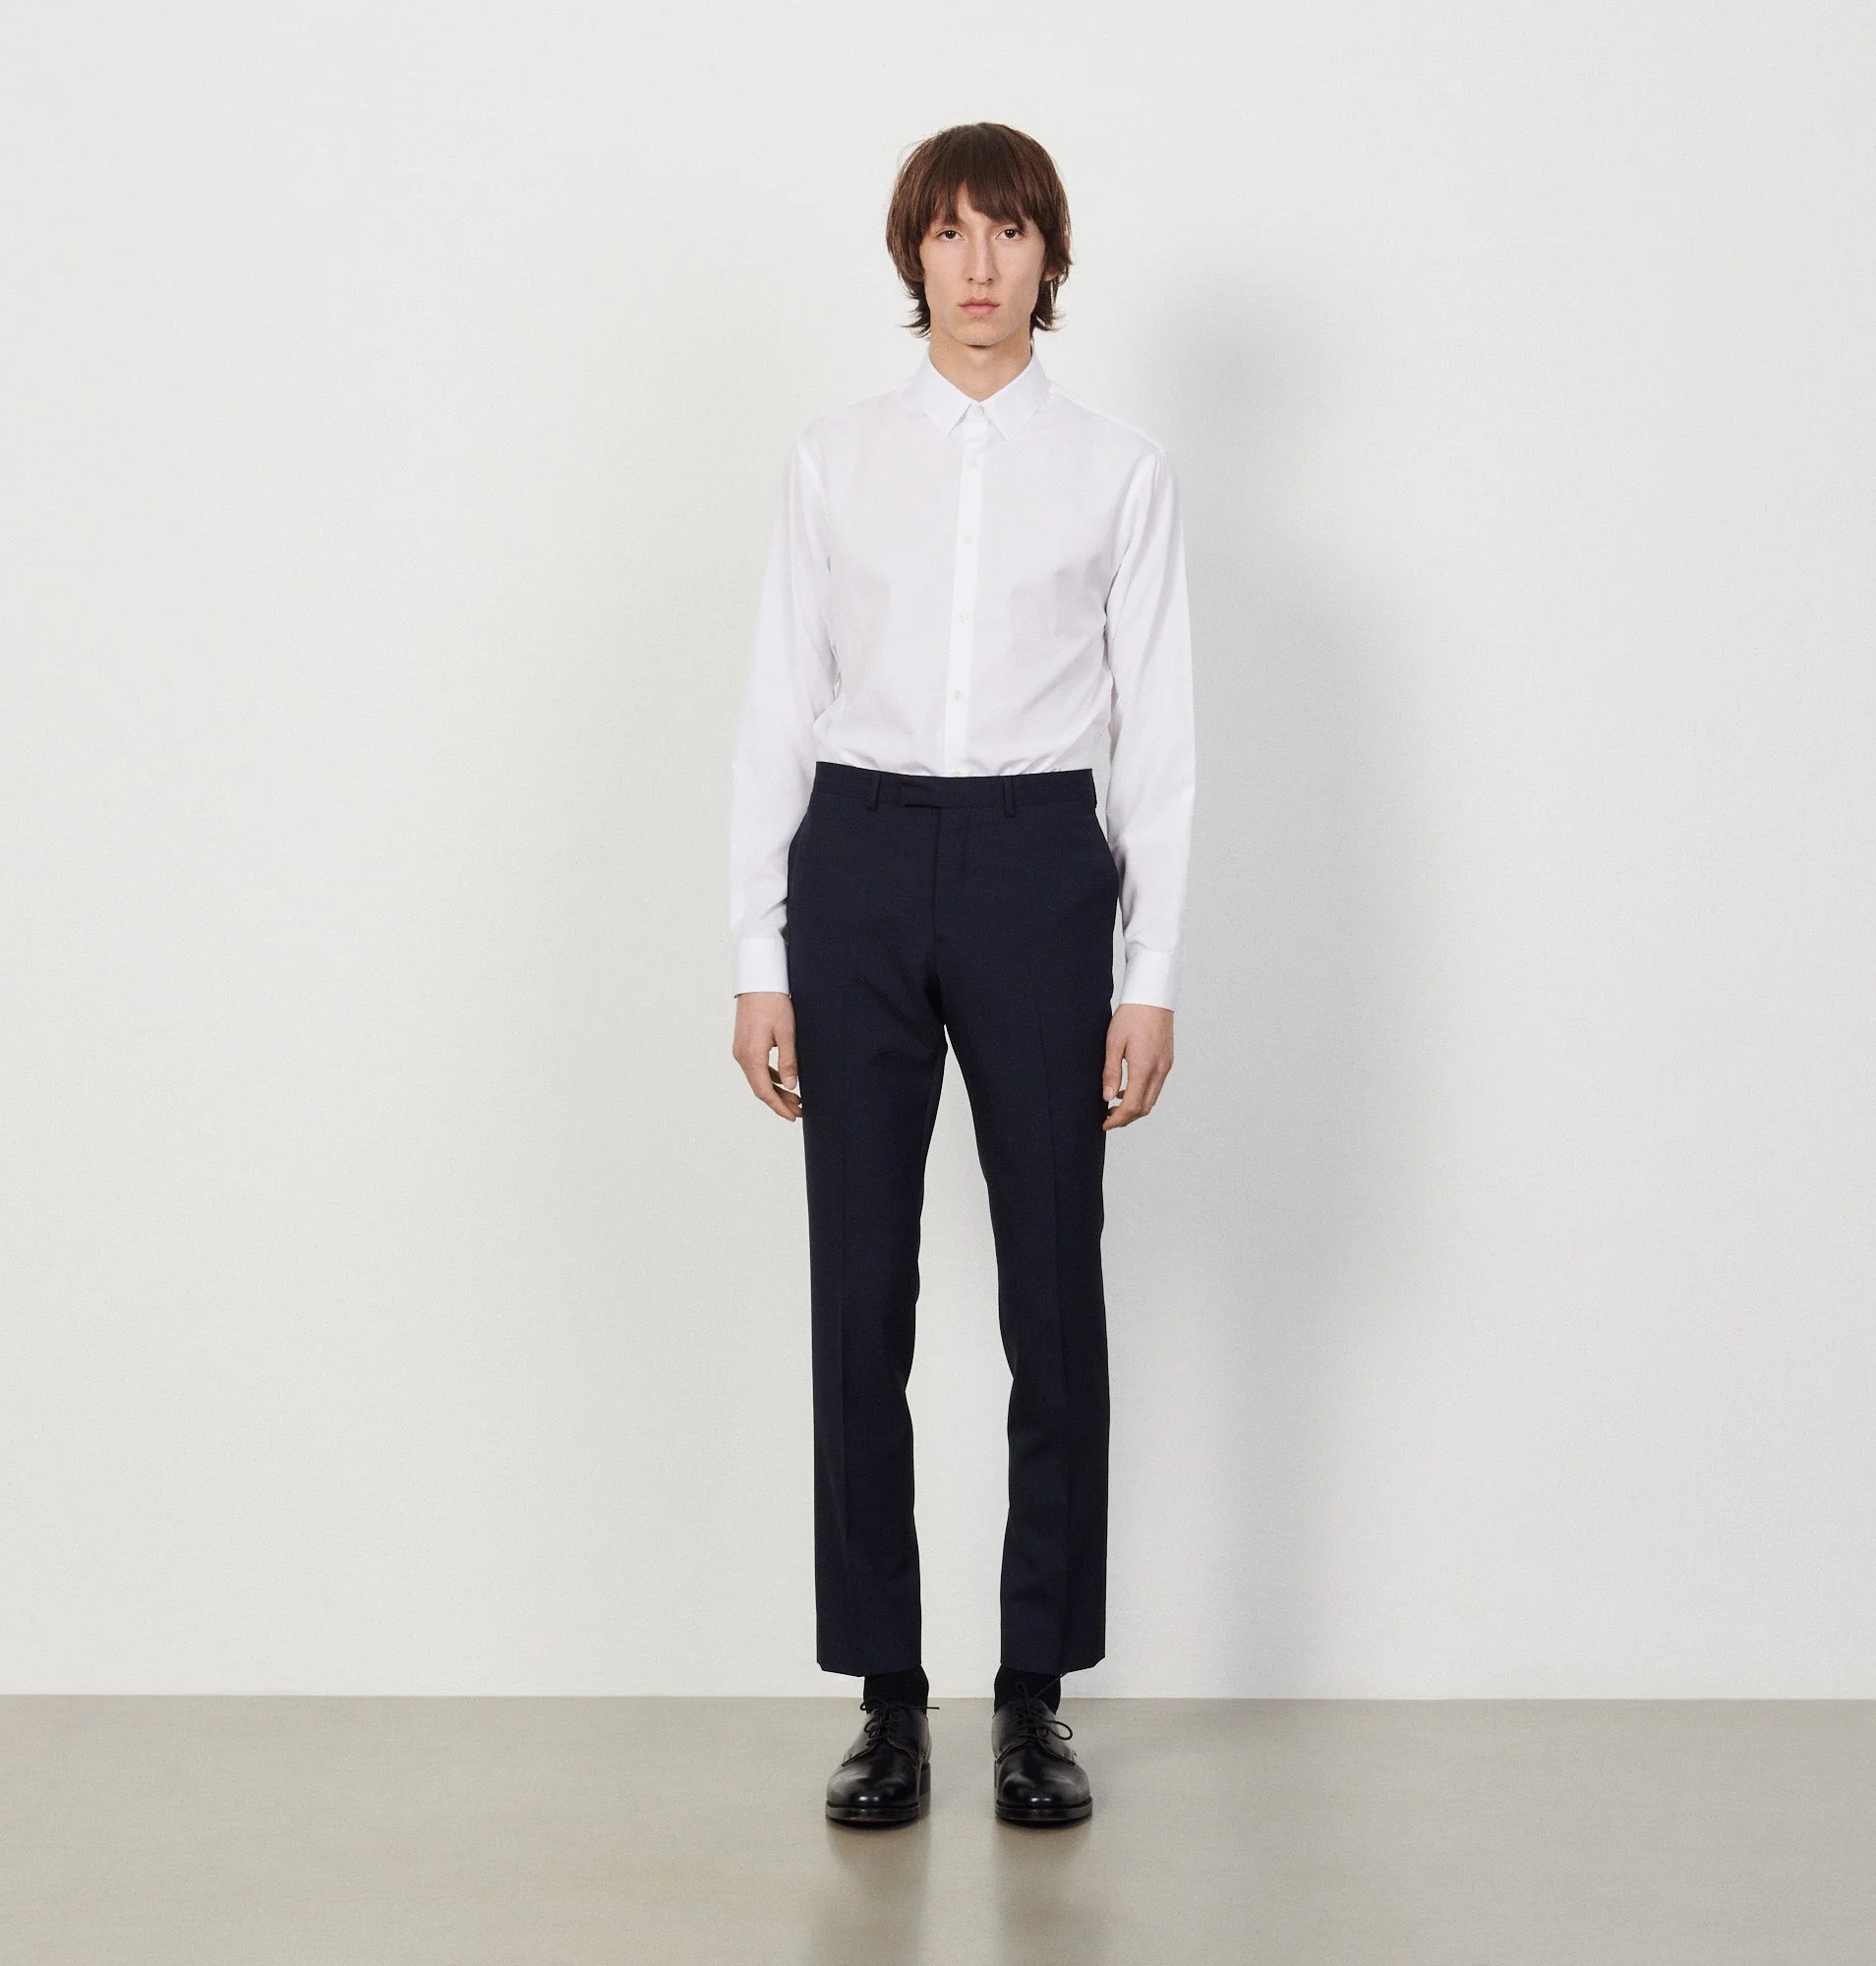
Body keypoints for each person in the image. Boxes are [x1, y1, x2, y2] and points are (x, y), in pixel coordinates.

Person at [728, 121, 1195, 1827]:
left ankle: (1035, 1700)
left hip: (1037, 868)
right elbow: (778, 704)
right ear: (911, 254)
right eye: (948, 232)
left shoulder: (1119, 471)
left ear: (1049, 257)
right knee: (860, 1297)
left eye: (1008, 232)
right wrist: (756, 952)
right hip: (853, 860)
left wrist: (1149, 973)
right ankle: (887, 1701)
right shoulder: (835, 460)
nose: (978, 264)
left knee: (1051, 1298)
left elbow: (1160, 737)